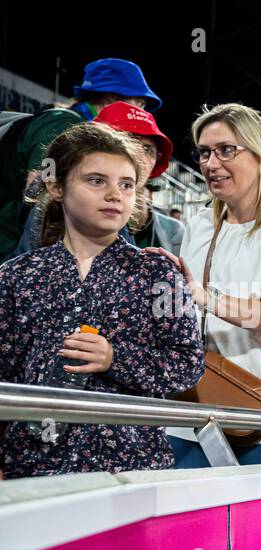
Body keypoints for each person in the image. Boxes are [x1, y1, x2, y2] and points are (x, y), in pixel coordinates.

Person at [0, 123, 203, 477]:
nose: (115, 194)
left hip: (130, 469)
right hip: (32, 469)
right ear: (56, 186)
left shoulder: (157, 272)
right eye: (96, 180)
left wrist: (115, 358)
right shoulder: (17, 277)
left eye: (126, 184)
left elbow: (187, 365)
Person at [161, 103, 261, 467]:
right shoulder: (201, 223)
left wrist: (207, 298)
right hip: (197, 412)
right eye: (204, 152)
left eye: (226, 150)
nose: (211, 163)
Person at [1, 58, 161, 262]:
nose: (142, 111)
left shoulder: (77, 126)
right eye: (139, 102)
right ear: (112, 97)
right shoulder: (65, 124)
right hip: (12, 255)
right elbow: (40, 194)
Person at [15, 102, 184, 257]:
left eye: (148, 149)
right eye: (129, 141)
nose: (138, 156)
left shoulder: (171, 229)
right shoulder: (57, 205)